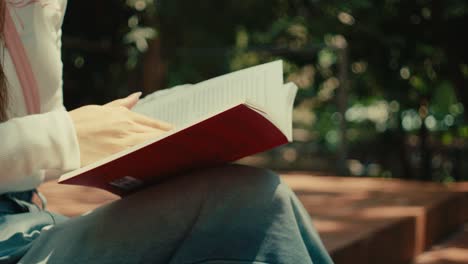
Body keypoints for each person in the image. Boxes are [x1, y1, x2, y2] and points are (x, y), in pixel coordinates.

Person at [0, 1, 333, 263]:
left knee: (258, 200)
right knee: (252, 203)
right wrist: (65, 136)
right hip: (12, 242)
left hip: (27, 221)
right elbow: (51, 136)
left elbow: (37, 125)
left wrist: (134, 132)